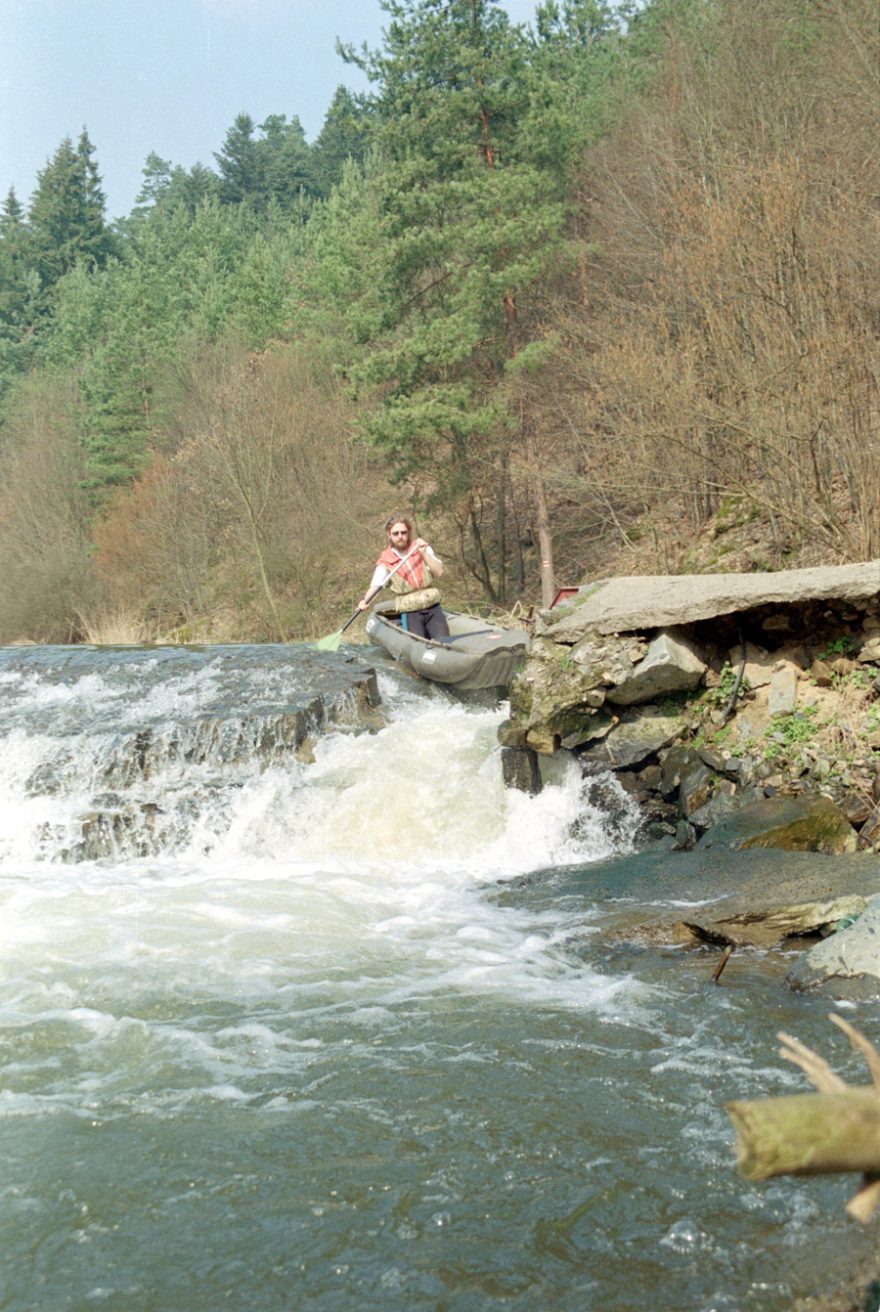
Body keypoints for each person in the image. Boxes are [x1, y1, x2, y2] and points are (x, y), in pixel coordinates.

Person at [358, 514, 451, 640]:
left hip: (433, 607)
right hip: (410, 611)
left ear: (408, 532)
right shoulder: (385, 561)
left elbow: (439, 572)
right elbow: (376, 586)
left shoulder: (422, 547)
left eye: (403, 532)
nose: (400, 537)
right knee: (418, 644)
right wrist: (365, 601)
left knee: (444, 642)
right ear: (389, 535)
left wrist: (424, 553)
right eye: (396, 533)